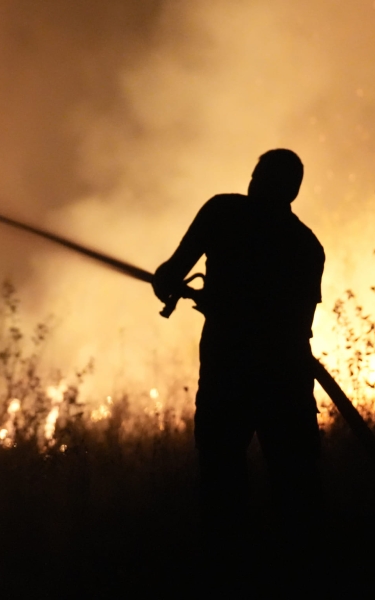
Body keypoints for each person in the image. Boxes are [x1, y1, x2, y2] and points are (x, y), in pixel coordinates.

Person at [152, 148, 325, 592]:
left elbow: (171, 272)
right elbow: (297, 324)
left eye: (261, 177)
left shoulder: (224, 212)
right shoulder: (306, 246)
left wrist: (178, 286)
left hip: (232, 376)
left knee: (223, 482)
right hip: (285, 380)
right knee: (293, 488)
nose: (254, 184)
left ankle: (230, 577)